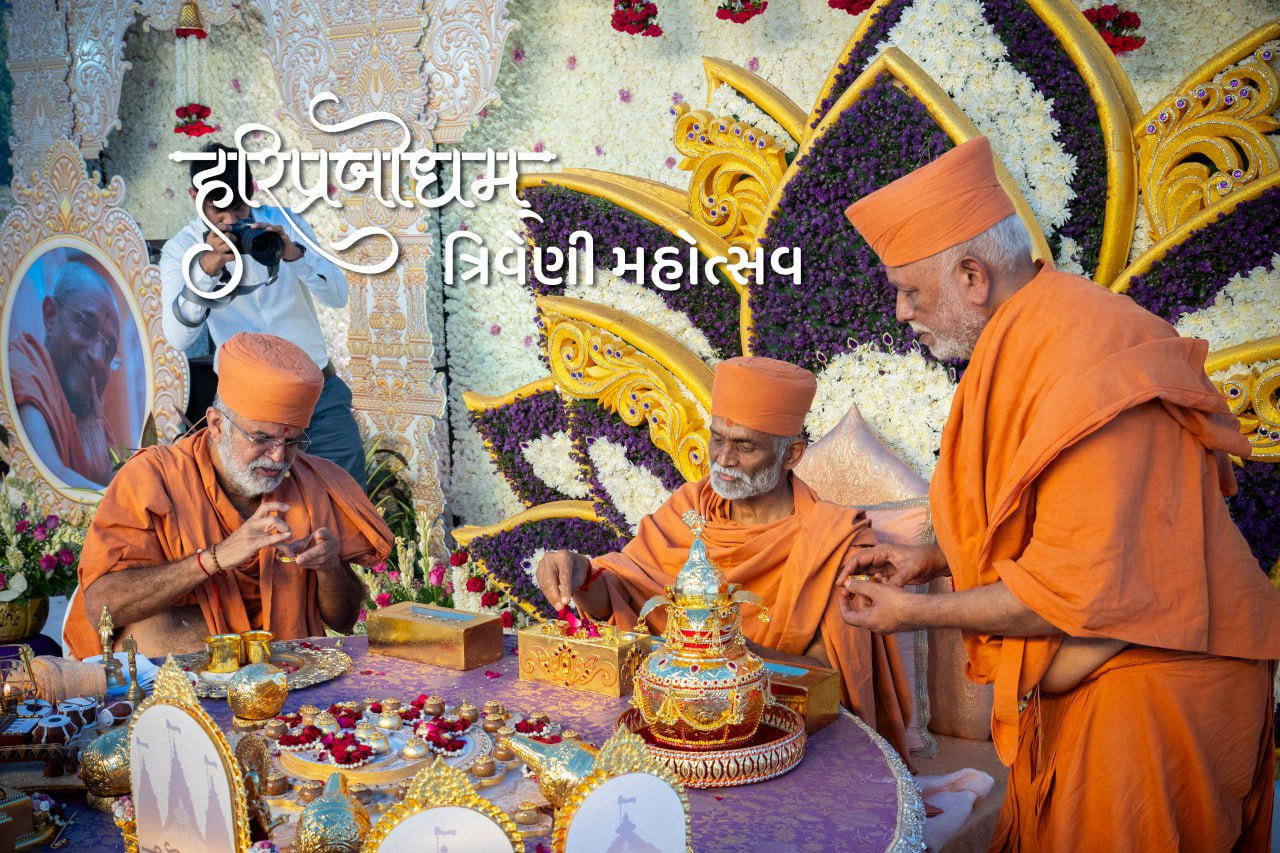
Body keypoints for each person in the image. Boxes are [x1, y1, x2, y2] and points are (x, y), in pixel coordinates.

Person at [840, 137, 1279, 850]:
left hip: (1152, 689)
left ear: (973, 277)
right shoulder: (1034, 336)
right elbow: (1072, 533)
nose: (900, 311)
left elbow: (1072, 591)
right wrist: (934, 560)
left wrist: (916, 612)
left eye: (910, 291)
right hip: (1101, 676)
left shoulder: (1087, 358)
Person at [536, 356, 913, 758]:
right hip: (668, 725)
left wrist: (726, 654)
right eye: (718, 439)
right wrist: (581, 574)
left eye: (745, 446)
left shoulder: (835, 542)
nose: (724, 459)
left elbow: (829, 681)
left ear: (791, 455)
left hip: (775, 737)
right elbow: (620, 599)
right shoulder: (690, 508)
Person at [64, 333, 393, 659]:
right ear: (217, 424)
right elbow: (102, 608)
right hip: (172, 685)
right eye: (261, 438)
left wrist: (329, 568)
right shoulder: (153, 478)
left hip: (288, 674)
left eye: (292, 441)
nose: (278, 457)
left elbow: (344, 620)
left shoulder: (313, 485)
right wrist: (215, 558)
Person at [159, 141, 367, 487]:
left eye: (238, 208)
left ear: (252, 191)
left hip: (317, 396)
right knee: (262, 511)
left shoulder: (285, 223)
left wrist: (293, 255)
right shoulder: (182, 250)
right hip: (246, 408)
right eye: (217, 211)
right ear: (194, 197)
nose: (230, 221)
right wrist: (205, 270)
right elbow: (178, 337)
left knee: (346, 497)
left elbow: (337, 296)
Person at [9, 262, 122, 489]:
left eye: (108, 350)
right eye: (85, 326)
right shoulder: (25, 367)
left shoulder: (94, 424)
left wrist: (101, 471)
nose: (97, 357)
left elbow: (122, 485)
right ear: (50, 316)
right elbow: (48, 477)